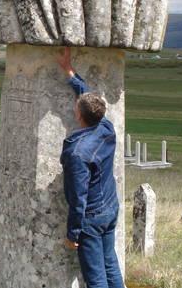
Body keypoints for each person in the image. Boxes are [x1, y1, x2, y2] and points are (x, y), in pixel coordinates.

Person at [57, 47, 124, 288]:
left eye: (77, 106)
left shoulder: (77, 154)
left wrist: (73, 234)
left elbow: (78, 198)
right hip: (110, 207)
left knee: (95, 277)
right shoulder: (106, 127)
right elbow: (88, 97)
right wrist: (70, 71)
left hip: (92, 217)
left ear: (79, 115)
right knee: (110, 264)